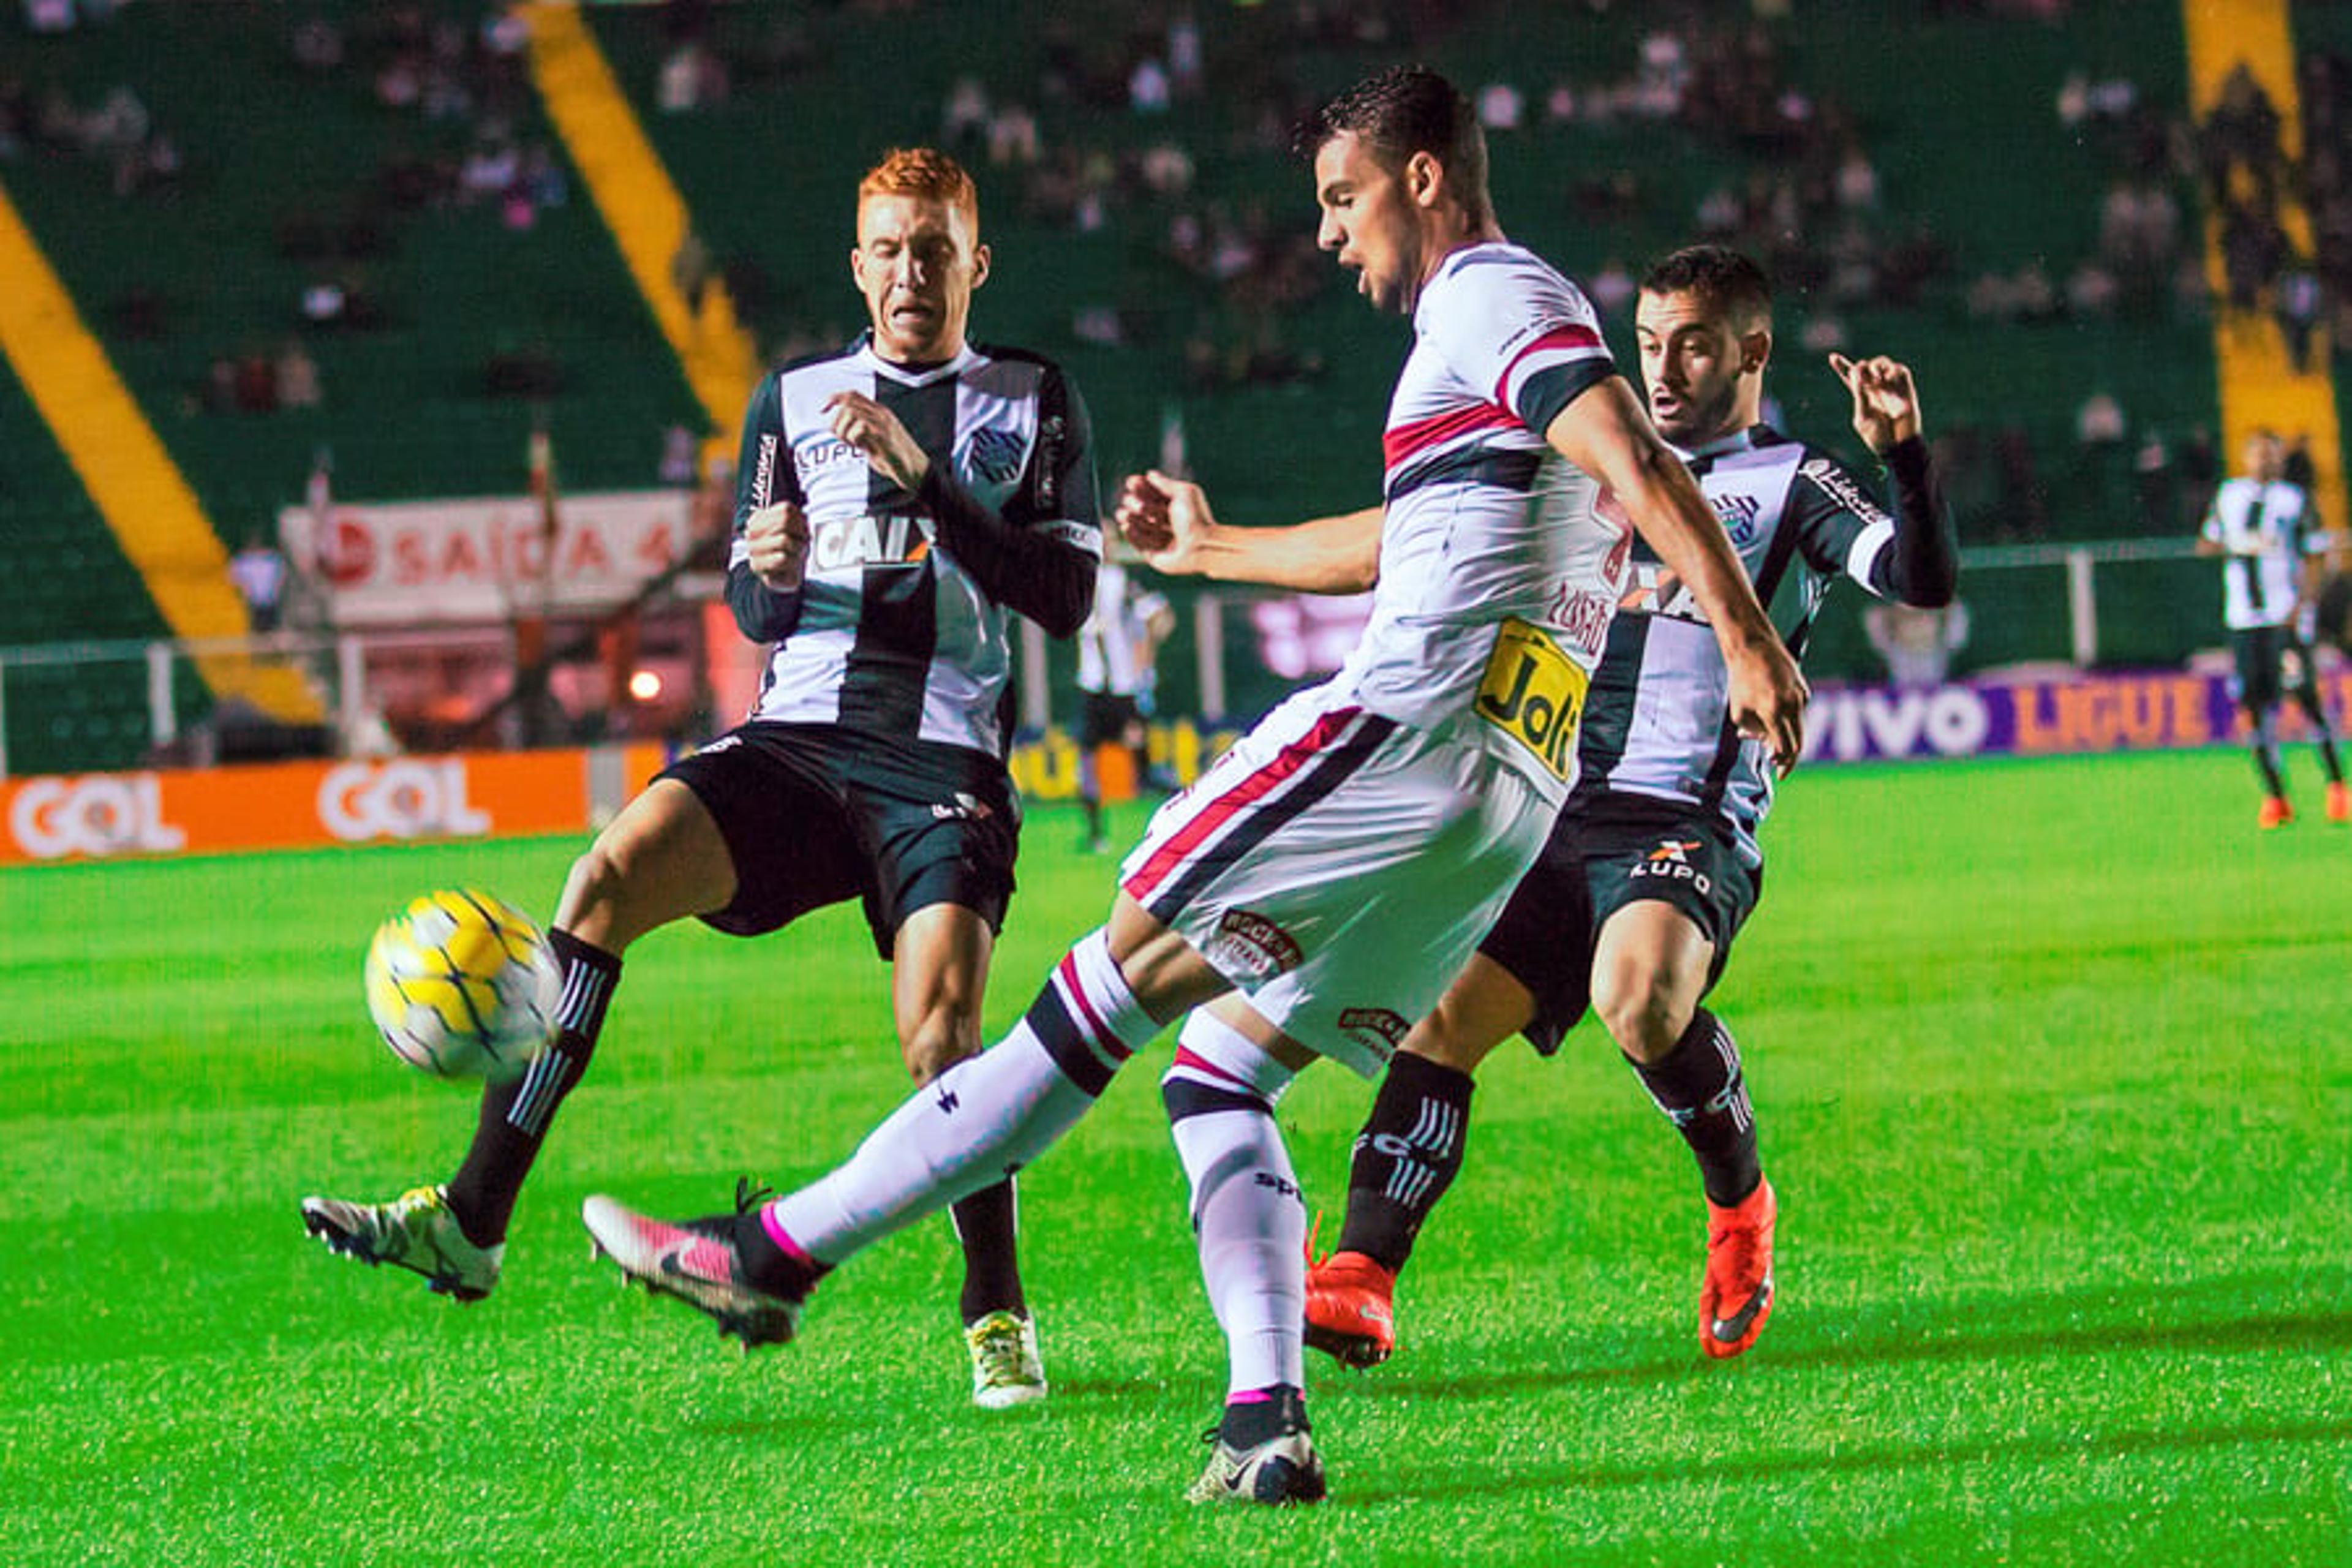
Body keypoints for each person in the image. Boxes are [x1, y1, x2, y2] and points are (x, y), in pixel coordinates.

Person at [576, 68, 1807, 1506]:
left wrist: (1743, 635)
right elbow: (1410, 537)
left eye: (1342, 201)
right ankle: (1262, 1416)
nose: (1334, 238)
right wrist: (1214, 551)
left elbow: (1633, 450)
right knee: (1217, 1066)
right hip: (1501, 795)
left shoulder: (1484, 294)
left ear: (1419, 179)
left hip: (1398, 733)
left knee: (1097, 989)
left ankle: (773, 1252)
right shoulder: (1495, 339)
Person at [301, 148, 1101, 1410]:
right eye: (889, 247)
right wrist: (767, 574)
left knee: (940, 1032)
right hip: (796, 743)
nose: (911, 270)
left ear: (975, 262)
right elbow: (752, 597)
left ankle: (994, 1306)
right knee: (603, 875)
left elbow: (1064, 595)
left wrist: (925, 481)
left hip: (942, 755)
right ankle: (470, 1221)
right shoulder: (791, 399)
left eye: (935, 248)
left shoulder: (1031, 396)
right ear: (859, 263)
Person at [1286, 246, 1959, 1371]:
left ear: (1751, 350)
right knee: (1439, 1019)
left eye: (1693, 343)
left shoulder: (1793, 481)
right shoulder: (1585, 466)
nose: (1665, 367)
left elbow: (1917, 580)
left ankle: (1739, 1203)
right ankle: (1361, 1270)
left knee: (1637, 1000)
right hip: (1546, 806)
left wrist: (1907, 461)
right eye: (1648, 343)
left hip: (1682, 819)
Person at [2195, 428, 2347, 827]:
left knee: (2304, 697)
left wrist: (2303, 604)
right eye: (2260, 454)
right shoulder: (2229, 496)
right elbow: (2206, 543)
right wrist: (2238, 543)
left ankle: (2337, 786)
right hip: (2245, 621)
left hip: (2286, 619)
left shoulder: (2293, 500)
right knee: (2253, 708)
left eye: (2273, 454)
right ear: (2246, 458)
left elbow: (2316, 553)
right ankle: (2276, 796)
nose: (2267, 461)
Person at [1074, 557, 1175, 851]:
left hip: (1124, 689)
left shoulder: (1124, 580)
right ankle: (1096, 836)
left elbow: (1162, 616)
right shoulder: (1078, 576)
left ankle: (1179, 818)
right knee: (1086, 763)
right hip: (1092, 687)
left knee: (1143, 767)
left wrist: (1146, 655)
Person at [228, 530, 290, 634]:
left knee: (271, 625)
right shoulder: (242, 561)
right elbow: (234, 579)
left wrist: (277, 589)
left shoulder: (272, 558)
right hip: (252, 601)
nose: (255, 543)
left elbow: (281, 576)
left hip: (271, 599)